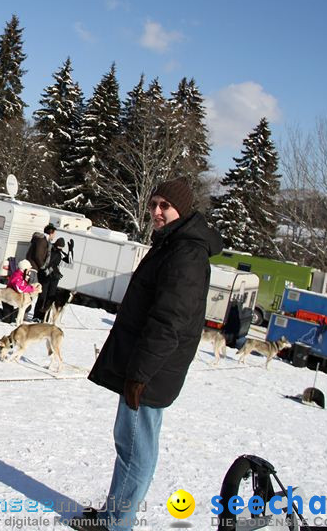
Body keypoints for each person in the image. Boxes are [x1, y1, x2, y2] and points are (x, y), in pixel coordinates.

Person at [72, 177, 222, 531]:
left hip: (151, 371)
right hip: (146, 366)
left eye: (164, 206)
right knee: (129, 444)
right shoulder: (174, 244)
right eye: (154, 203)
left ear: (180, 210)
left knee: (135, 450)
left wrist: (140, 374)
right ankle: (113, 516)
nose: (156, 211)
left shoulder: (186, 252)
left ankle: (117, 525)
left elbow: (169, 321)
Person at [33, 238, 71, 322]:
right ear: (56, 244)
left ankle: (45, 317)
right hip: (45, 276)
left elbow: (69, 261)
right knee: (42, 296)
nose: (60, 248)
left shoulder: (60, 252)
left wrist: (71, 250)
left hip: (55, 277)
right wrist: (47, 269)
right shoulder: (49, 249)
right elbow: (45, 261)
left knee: (50, 298)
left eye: (62, 247)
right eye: (59, 246)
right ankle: (37, 316)